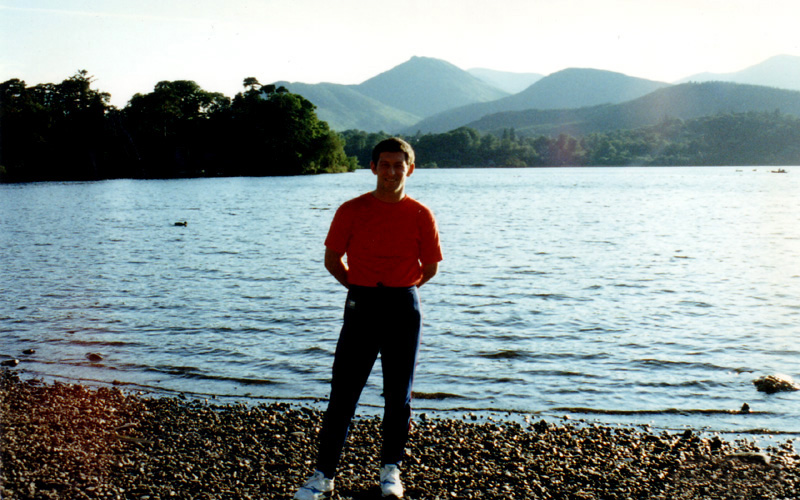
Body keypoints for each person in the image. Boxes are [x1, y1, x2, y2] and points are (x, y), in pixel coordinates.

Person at [294, 137, 442, 499]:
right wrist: (360, 289)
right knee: (343, 394)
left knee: (398, 396)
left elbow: (431, 268)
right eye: (384, 164)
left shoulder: (421, 214)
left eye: (398, 165)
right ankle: (323, 476)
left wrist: (399, 287)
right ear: (373, 167)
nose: (391, 172)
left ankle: (391, 471)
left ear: (410, 168)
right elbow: (332, 261)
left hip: (404, 306)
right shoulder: (351, 210)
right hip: (361, 303)